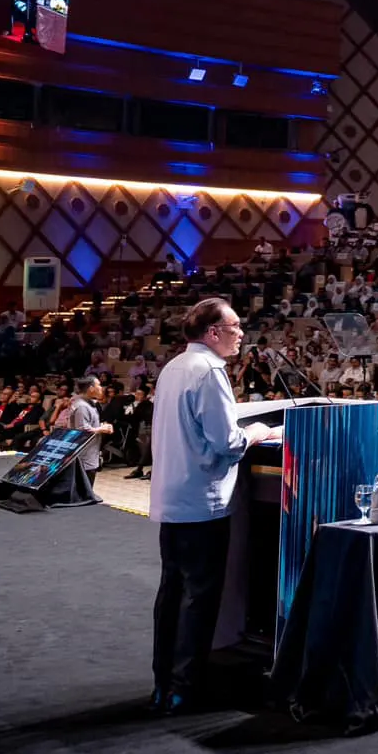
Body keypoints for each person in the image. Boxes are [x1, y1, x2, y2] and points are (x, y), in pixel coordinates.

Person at [149, 299, 274, 714]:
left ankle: (162, 683)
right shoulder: (210, 372)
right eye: (235, 326)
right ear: (213, 332)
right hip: (203, 501)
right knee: (199, 600)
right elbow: (227, 443)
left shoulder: (173, 369)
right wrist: (255, 431)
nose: (241, 333)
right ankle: (185, 689)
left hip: (172, 497)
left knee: (172, 594)